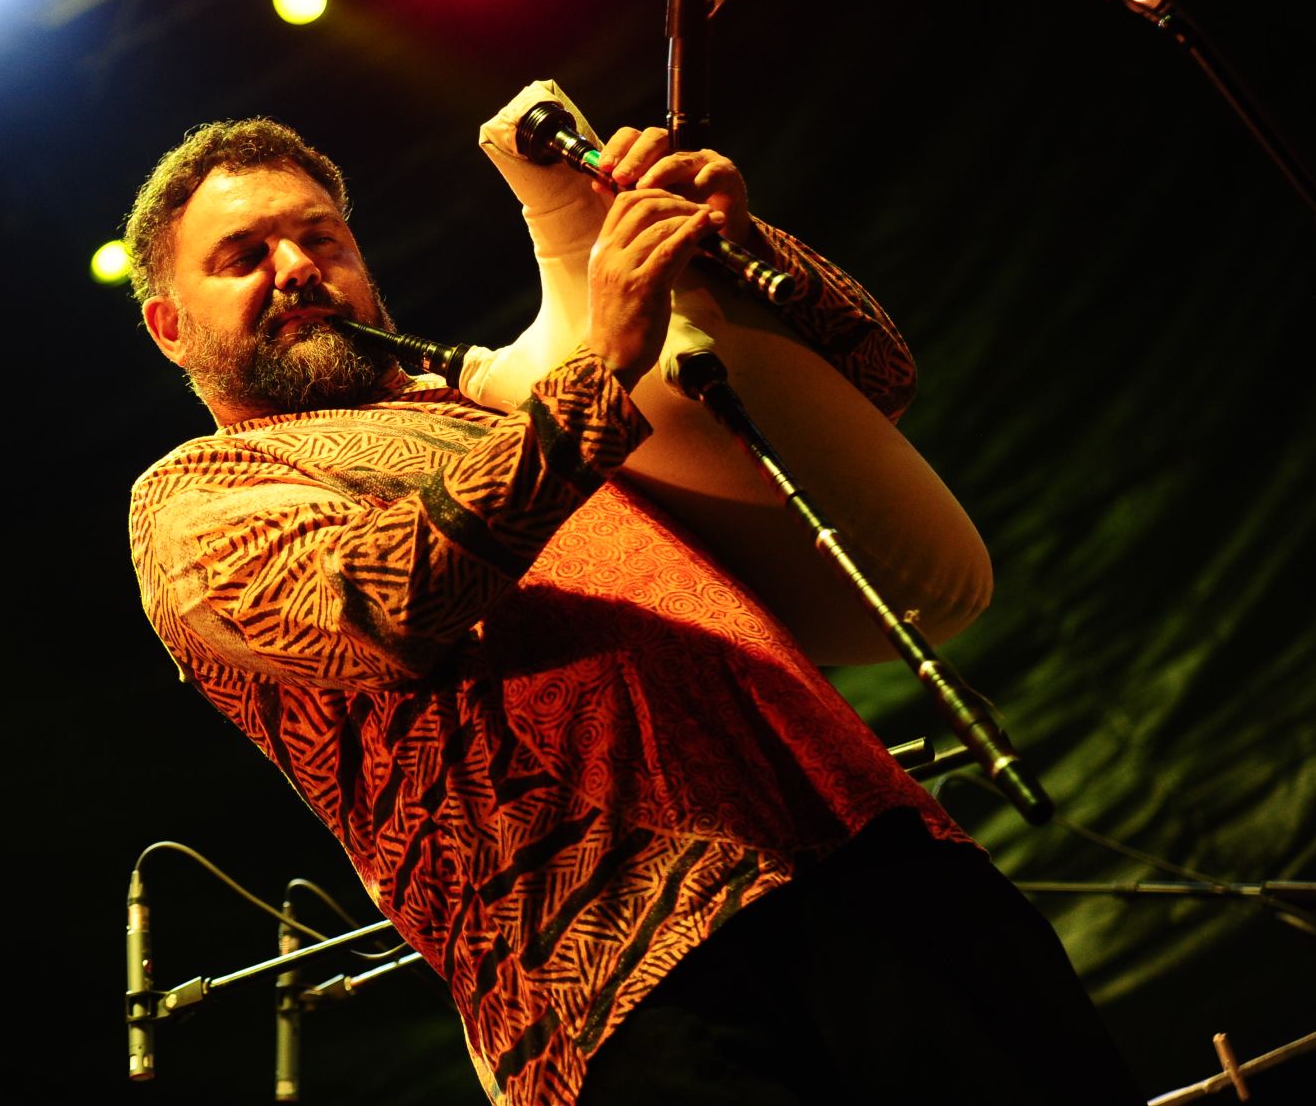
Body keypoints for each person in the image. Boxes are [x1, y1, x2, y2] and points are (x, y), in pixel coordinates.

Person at [124, 106, 1140, 1105]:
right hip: (618, 981)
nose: (296, 267)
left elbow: (873, 380)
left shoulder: (504, 395)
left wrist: (731, 252)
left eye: (319, 237)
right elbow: (382, 603)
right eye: (242, 255)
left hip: (873, 855)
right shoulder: (196, 492)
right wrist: (599, 368)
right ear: (170, 327)